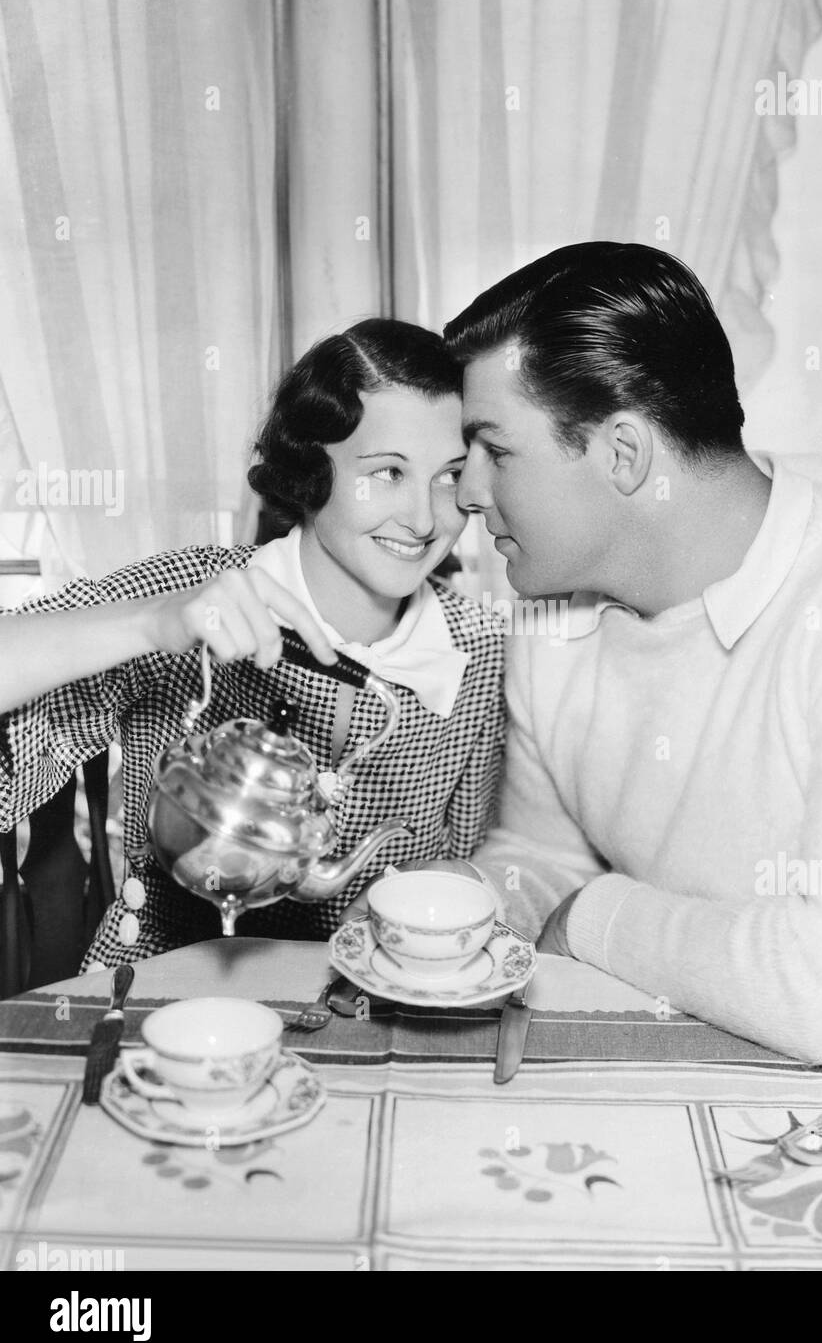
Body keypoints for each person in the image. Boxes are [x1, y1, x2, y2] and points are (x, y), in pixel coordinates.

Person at [440, 240, 822, 1264]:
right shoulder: (547, 624)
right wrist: (448, 916)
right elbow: (536, 858)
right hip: (733, 1076)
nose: (466, 495)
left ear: (622, 455)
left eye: (495, 449)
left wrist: (586, 914)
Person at [0, 319, 505, 966]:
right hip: (157, 987)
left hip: (372, 1003)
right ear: (310, 466)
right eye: (388, 472)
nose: (425, 519)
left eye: (447, 477)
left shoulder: (480, 649)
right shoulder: (190, 591)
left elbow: (465, 871)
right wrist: (147, 624)